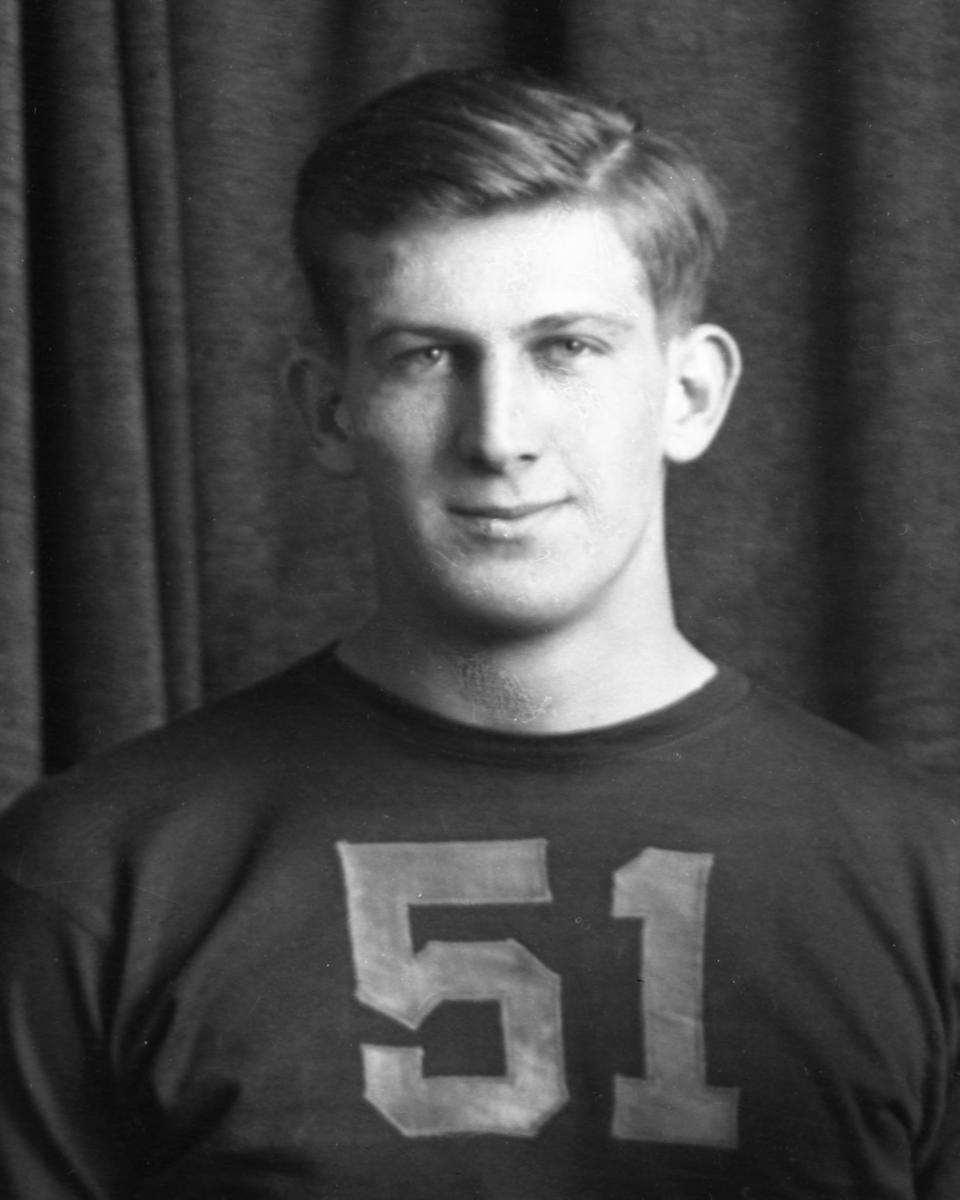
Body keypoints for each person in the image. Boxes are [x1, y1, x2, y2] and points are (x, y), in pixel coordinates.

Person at [0, 67, 958, 1200]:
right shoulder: (97, 878)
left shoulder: (929, 883)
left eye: (569, 349)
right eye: (427, 356)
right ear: (329, 410)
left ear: (690, 393)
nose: (499, 434)